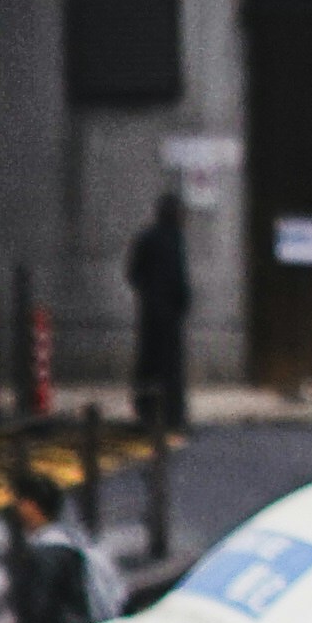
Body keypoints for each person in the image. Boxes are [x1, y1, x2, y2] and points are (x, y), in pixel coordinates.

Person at [2, 469, 117, 623]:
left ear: (31, 506)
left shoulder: (46, 553)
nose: (15, 509)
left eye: (19, 502)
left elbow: (43, 612)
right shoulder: (77, 541)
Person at [125, 188, 192, 438]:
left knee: (149, 364)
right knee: (169, 367)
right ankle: (170, 416)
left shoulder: (151, 237)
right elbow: (177, 276)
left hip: (153, 311)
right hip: (166, 313)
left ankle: (147, 413)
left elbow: (134, 272)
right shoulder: (171, 239)